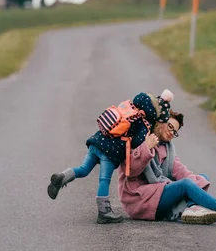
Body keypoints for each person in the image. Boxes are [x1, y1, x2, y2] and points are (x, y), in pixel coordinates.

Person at [47, 90, 174, 224]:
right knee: (104, 180)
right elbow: (137, 142)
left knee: (83, 169)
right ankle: (104, 212)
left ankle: (62, 177)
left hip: (96, 142)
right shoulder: (142, 123)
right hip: (109, 151)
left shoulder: (127, 107)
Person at [117, 110, 216, 226]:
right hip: (140, 199)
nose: (171, 133)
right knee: (186, 185)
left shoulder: (168, 147)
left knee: (202, 178)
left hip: (158, 193)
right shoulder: (140, 138)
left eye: (175, 132)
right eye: (170, 126)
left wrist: (196, 181)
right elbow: (130, 171)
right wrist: (146, 147)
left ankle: (192, 208)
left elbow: (179, 169)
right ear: (160, 122)